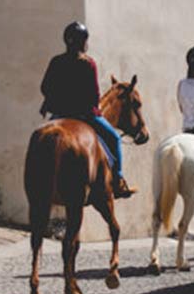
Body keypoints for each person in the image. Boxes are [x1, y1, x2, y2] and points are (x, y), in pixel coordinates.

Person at [39, 21, 135, 198]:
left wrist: (56, 101)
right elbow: (93, 94)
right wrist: (95, 108)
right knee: (114, 139)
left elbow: (45, 87)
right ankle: (118, 181)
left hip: (59, 114)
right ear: (83, 41)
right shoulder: (88, 63)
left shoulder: (56, 61)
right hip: (84, 115)